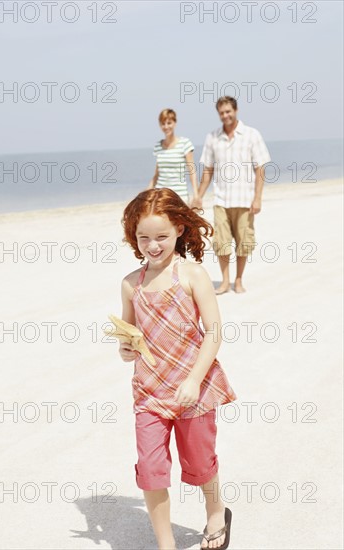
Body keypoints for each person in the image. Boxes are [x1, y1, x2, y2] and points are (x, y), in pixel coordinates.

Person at [119, 188, 236, 550]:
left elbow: (214, 333)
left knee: (200, 462)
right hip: (149, 392)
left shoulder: (192, 274)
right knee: (151, 470)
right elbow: (130, 336)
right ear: (133, 237)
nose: (152, 245)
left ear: (180, 231)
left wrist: (194, 379)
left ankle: (216, 511)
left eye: (161, 237)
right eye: (143, 238)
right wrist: (125, 348)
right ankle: (166, 544)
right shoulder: (130, 284)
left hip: (194, 390)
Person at [193, 96, 271, 294]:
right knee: (221, 243)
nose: (225, 115)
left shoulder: (252, 135)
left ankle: (238, 280)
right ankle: (225, 281)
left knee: (244, 242)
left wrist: (258, 197)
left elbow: (260, 168)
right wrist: (199, 196)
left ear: (236, 110)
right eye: (221, 113)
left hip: (245, 200)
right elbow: (208, 171)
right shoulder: (212, 137)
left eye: (228, 111)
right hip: (221, 200)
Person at [148, 108, 199, 206]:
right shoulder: (158, 146)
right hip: (160, 196)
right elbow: (156, 175)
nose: (166, 126)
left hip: (180, 196)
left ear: (175, 123)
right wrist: (144, 193)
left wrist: (196, 195)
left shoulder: (185, 143)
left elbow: (192, 171)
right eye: (163, 123)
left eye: (169, 123)